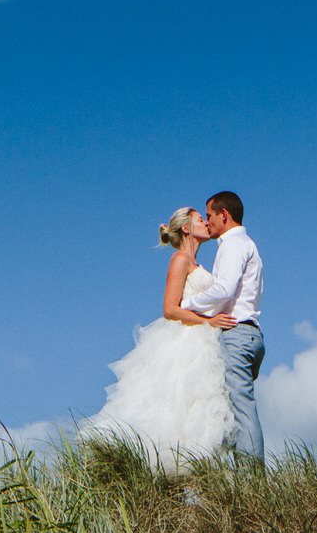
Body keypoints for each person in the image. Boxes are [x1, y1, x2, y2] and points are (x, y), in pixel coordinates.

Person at [79, 208, 236, 464]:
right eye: (200, 220)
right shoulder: (180, 260)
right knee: (175, 404)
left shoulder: (197, 264)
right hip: (186, 342)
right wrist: (209, 321)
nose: (206, 223)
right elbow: (170, 309)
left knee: (197, 409)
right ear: (186, 228)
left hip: (204, 343)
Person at [185, 190, 264, 462]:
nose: (207, 222)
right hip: (251, 334)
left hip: (237, 334)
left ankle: (251, 482)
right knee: (233, 410)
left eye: (209, 216)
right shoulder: (247, 244)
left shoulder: (232, 245)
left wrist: (188, 304)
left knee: (241, 410)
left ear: (224, 215)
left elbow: (223, 289)